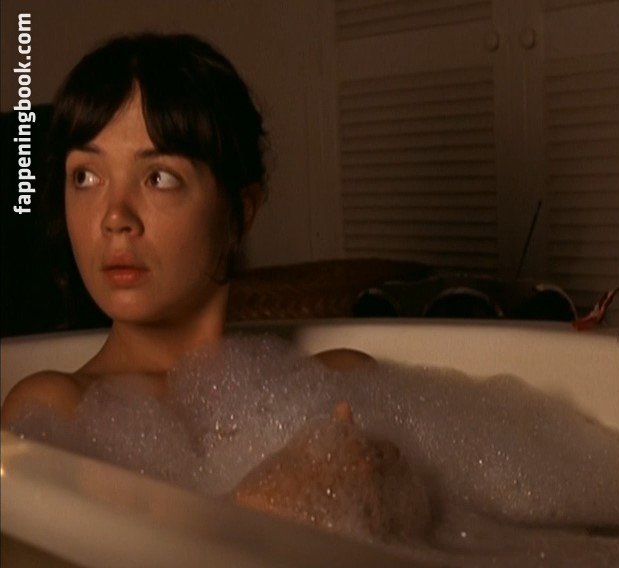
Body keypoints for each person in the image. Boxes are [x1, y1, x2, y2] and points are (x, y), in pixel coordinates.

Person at [1, 33, 370, 427]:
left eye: (159, 178)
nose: (115, 217)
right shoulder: (52, 409)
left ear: (240, 212)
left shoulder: (340, 380)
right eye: (85, 177)